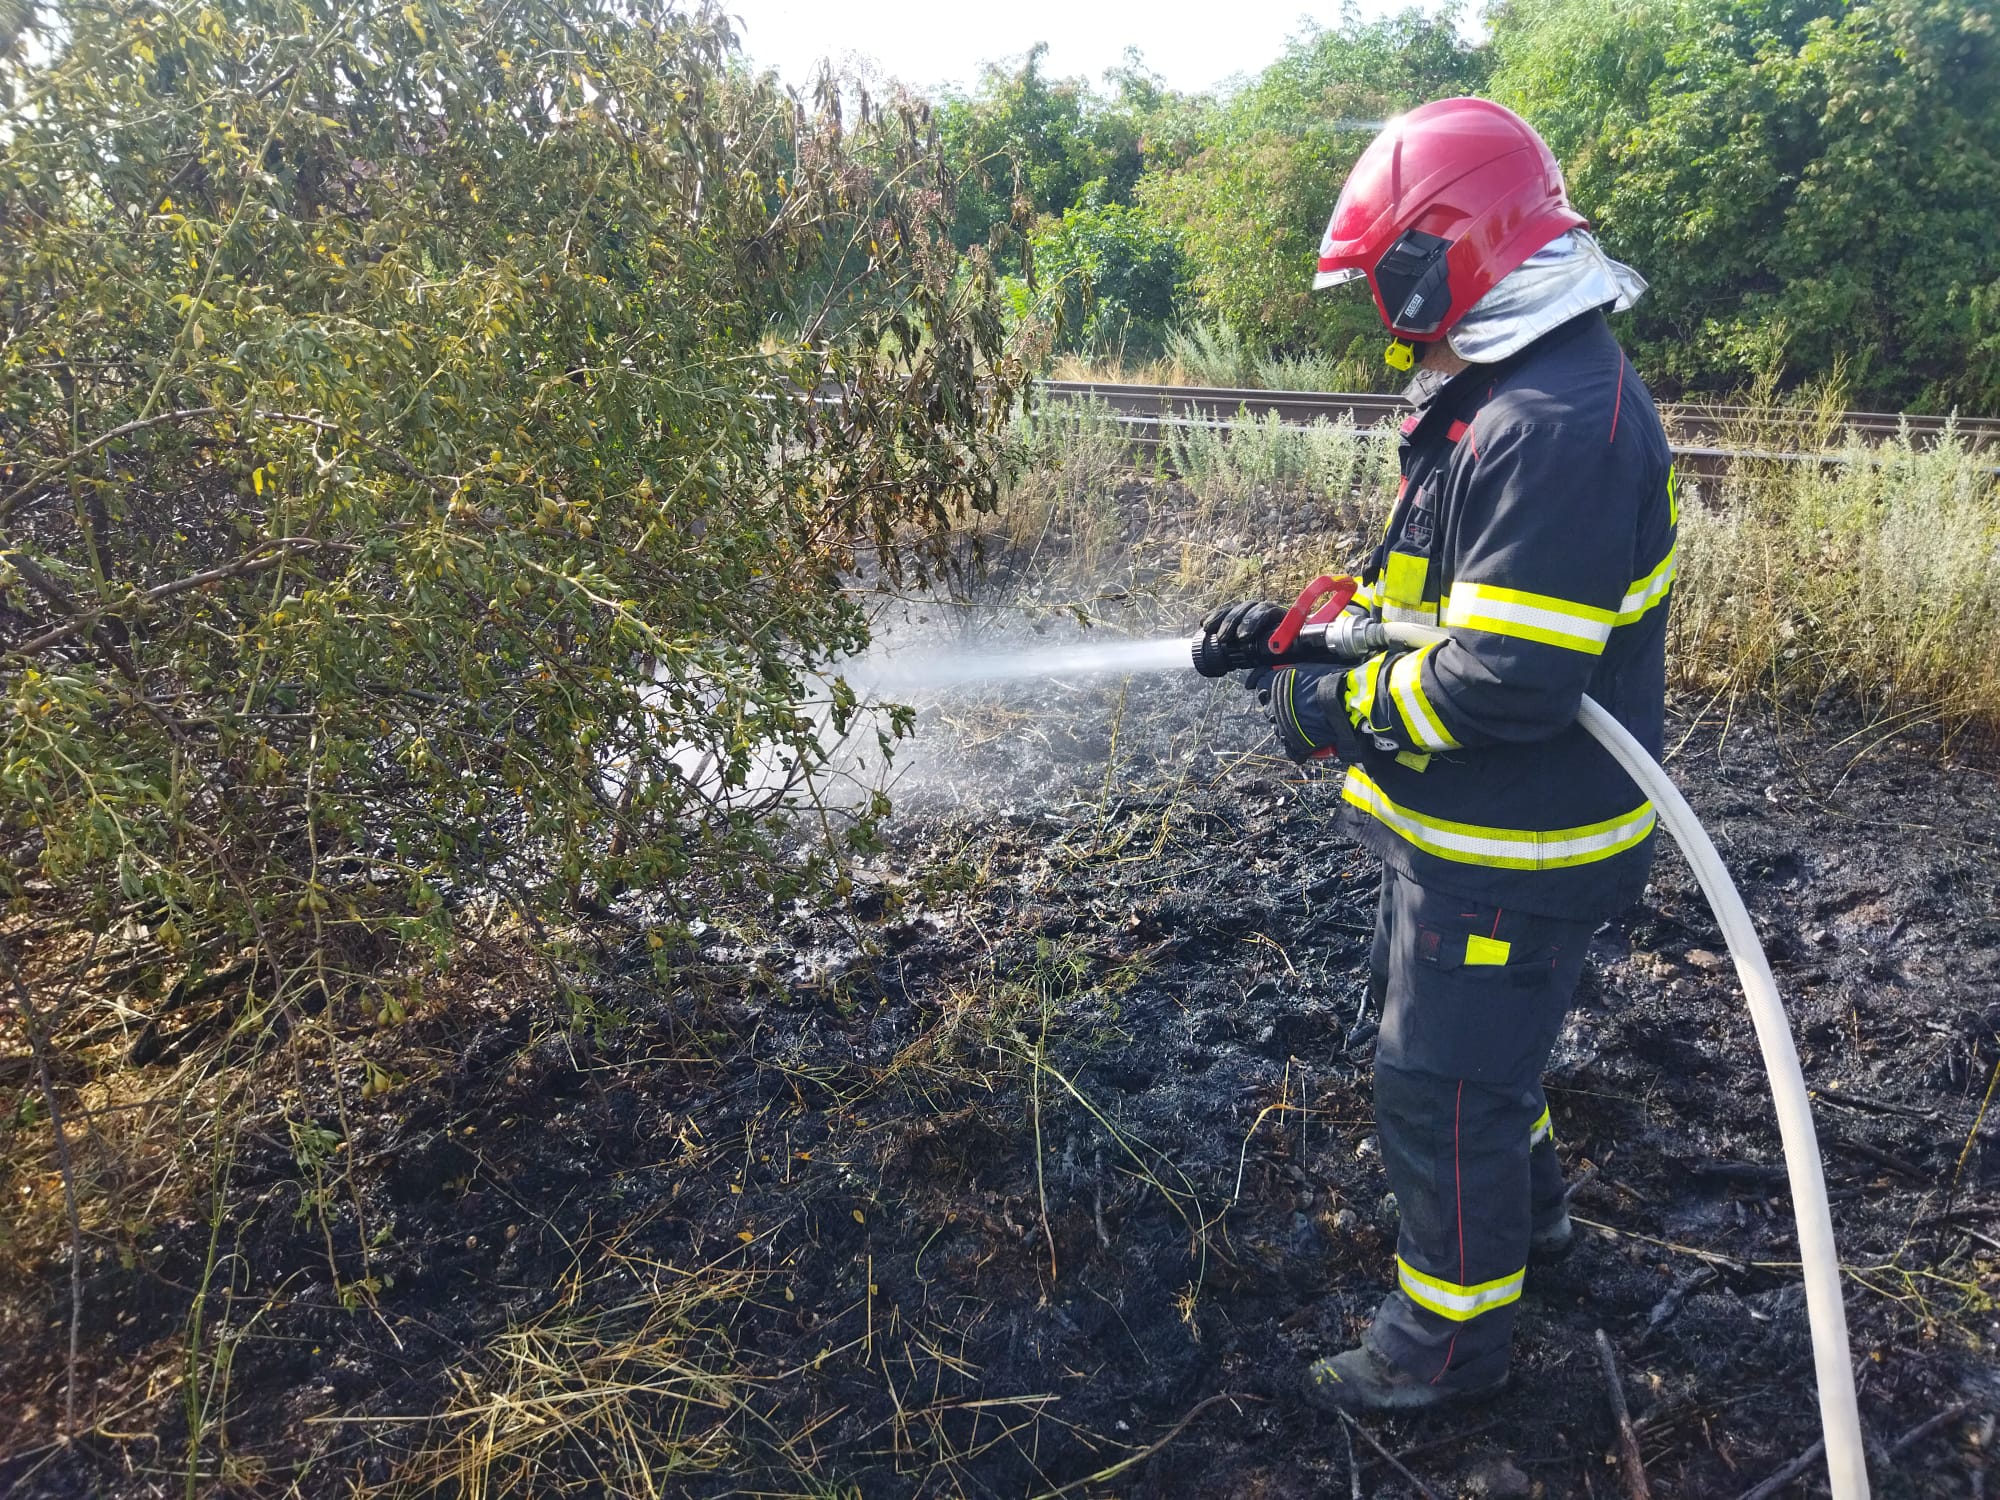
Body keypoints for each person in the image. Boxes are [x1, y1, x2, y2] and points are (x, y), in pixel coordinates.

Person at [1199, 97, 1677, 1412]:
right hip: (1480, 818)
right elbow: (1445, 603)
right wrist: (1306, 639)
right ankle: (1539, 1228)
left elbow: (1509, 678)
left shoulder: (1548, 424)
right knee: (1482, 1062)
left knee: (1440, 1084)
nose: (1383, 311)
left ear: (1448, 253)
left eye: (1386, 279)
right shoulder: (1516, 387)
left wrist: (1332, 716)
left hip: (1519, 829)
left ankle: (1447, 1350)